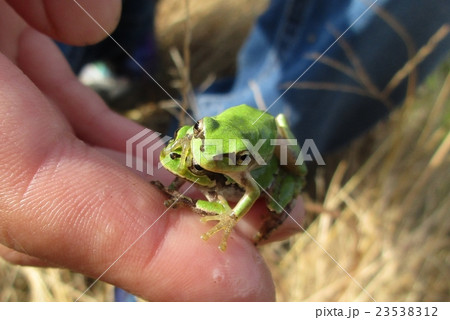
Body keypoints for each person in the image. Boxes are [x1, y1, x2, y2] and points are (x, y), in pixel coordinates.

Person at [0, 0, 448, 302]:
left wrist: (231, 215)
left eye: (225, 159)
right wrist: (197, 141)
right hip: (230, 124)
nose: (208, 157)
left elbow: (250, 188)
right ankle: (128, 58)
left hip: (263, 138)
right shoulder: (204, 143)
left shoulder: (246, 164)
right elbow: (200, 142)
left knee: (273, 182)